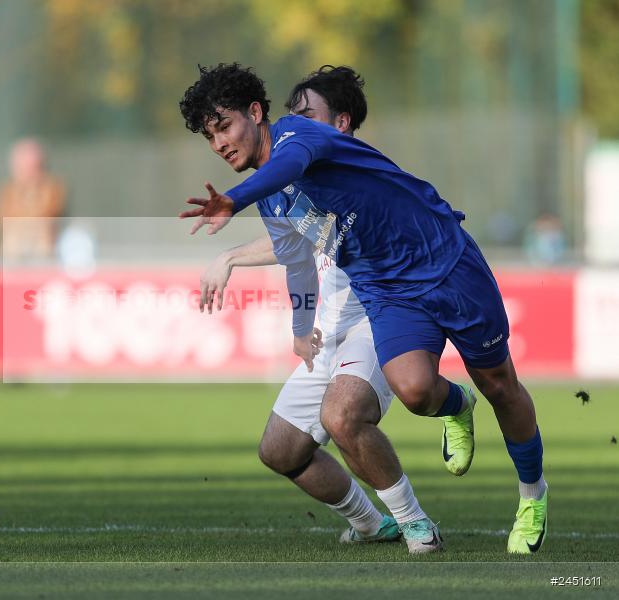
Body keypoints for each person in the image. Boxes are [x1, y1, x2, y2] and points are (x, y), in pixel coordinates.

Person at [179, 63, 548, 554]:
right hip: (384, 286)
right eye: (210, 137)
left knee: (500, 383)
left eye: (224, 127)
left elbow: (288, 166)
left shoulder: (297, 136)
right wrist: (300, 325)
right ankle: (454, 412)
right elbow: (296, 258)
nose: (220, 143)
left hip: (444, 258)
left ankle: (532, 496)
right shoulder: (276, 197)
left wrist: (234, 199)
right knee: (415, 391)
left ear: (255, 112)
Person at [196, 66, 442, 554]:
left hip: (381, 308)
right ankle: (371, 523)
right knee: (280, 451)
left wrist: (235, 212)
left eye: (307, 116)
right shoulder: (288, 175)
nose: (296, 126)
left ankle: (416, 522)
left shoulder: (337, 167)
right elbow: (297, 248)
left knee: (342, 415)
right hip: (332, 325)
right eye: (211, 135)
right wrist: (298, 321)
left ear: (341, 123)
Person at [0, 139, 65, 262]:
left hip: (44, 251)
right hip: (14, 254)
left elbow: (48, 216)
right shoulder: (9, 191)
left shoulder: (52, 189)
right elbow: (1, 220)